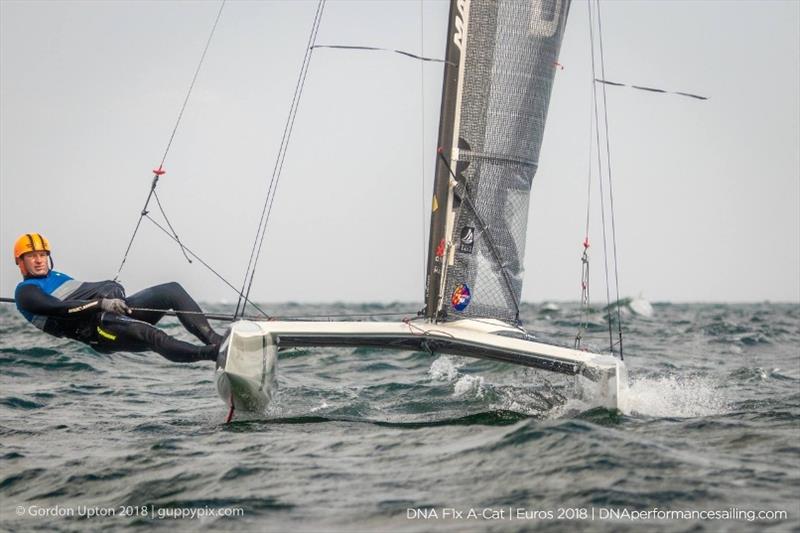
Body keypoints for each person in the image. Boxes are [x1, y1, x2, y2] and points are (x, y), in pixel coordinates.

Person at [13, 233, 223, 363]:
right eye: (32, 256)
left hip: (113, 313)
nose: (39, 260)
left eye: (42, 255)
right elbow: (61, 309)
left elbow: (91, 289)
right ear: (20, 262)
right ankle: (213, 355)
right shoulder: (25, 292)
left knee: (171, 290)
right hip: (100, 331)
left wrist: (112, 293)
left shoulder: (57, 277)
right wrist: (101, 303)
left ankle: (217, 342)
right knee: (150, 334)